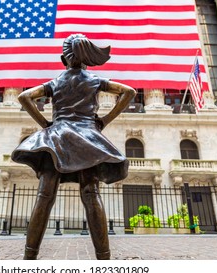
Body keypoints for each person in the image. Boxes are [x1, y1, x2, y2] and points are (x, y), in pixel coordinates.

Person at [11, 34, 136, 260]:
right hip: (88, 139)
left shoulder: (55, 82)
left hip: (56, 137)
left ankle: (29, 258)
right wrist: (105, 121)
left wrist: (46, 125)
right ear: (86, 59)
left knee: (44, 196)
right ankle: (104, 259)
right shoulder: (95, 80)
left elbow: (24, 97)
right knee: (91, 193)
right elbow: (129, 92)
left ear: (63, 59)